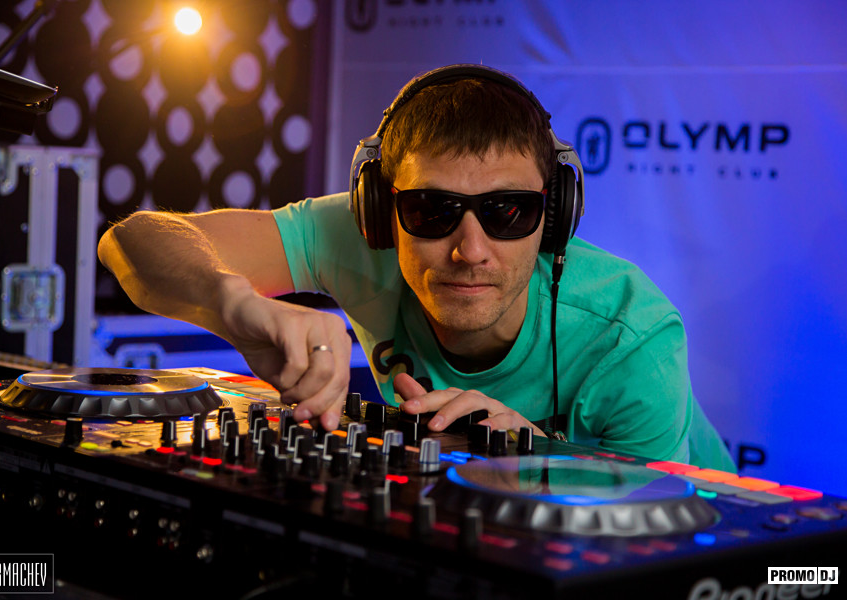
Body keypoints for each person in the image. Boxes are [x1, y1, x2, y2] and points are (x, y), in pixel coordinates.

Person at [98, 64, 735, 471]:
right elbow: (133, 244)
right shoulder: (360, 236)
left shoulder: (631, 337)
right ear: (380, 210)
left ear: (555, 214)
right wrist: (235, 305)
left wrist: (540, 461)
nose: (470, 250)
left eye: (508, 211)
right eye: (432, 210)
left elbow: (658, 541)